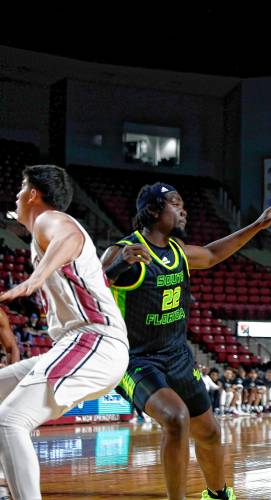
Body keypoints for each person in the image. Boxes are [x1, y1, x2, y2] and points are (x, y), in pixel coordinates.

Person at [101, 181, 271, 500]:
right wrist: (120, 264)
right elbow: (95, 283)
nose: (183, 210)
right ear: (154, 210)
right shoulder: (122, 250)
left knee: (210, 432)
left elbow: (214, 254)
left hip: (177, 356)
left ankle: (217, 495)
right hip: (134, 360)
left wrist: (257, 225)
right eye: (175, 203)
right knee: (175, 418)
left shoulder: (178, 252)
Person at [0, 165, 130, 500]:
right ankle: (7, 477)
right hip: (81, 343)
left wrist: (36, 278)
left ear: (33, 195)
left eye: (20, 189)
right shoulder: (40, 227)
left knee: (10, 419)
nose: (16, 195)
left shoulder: (52, 220)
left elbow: (68, 237)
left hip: (95, 340)